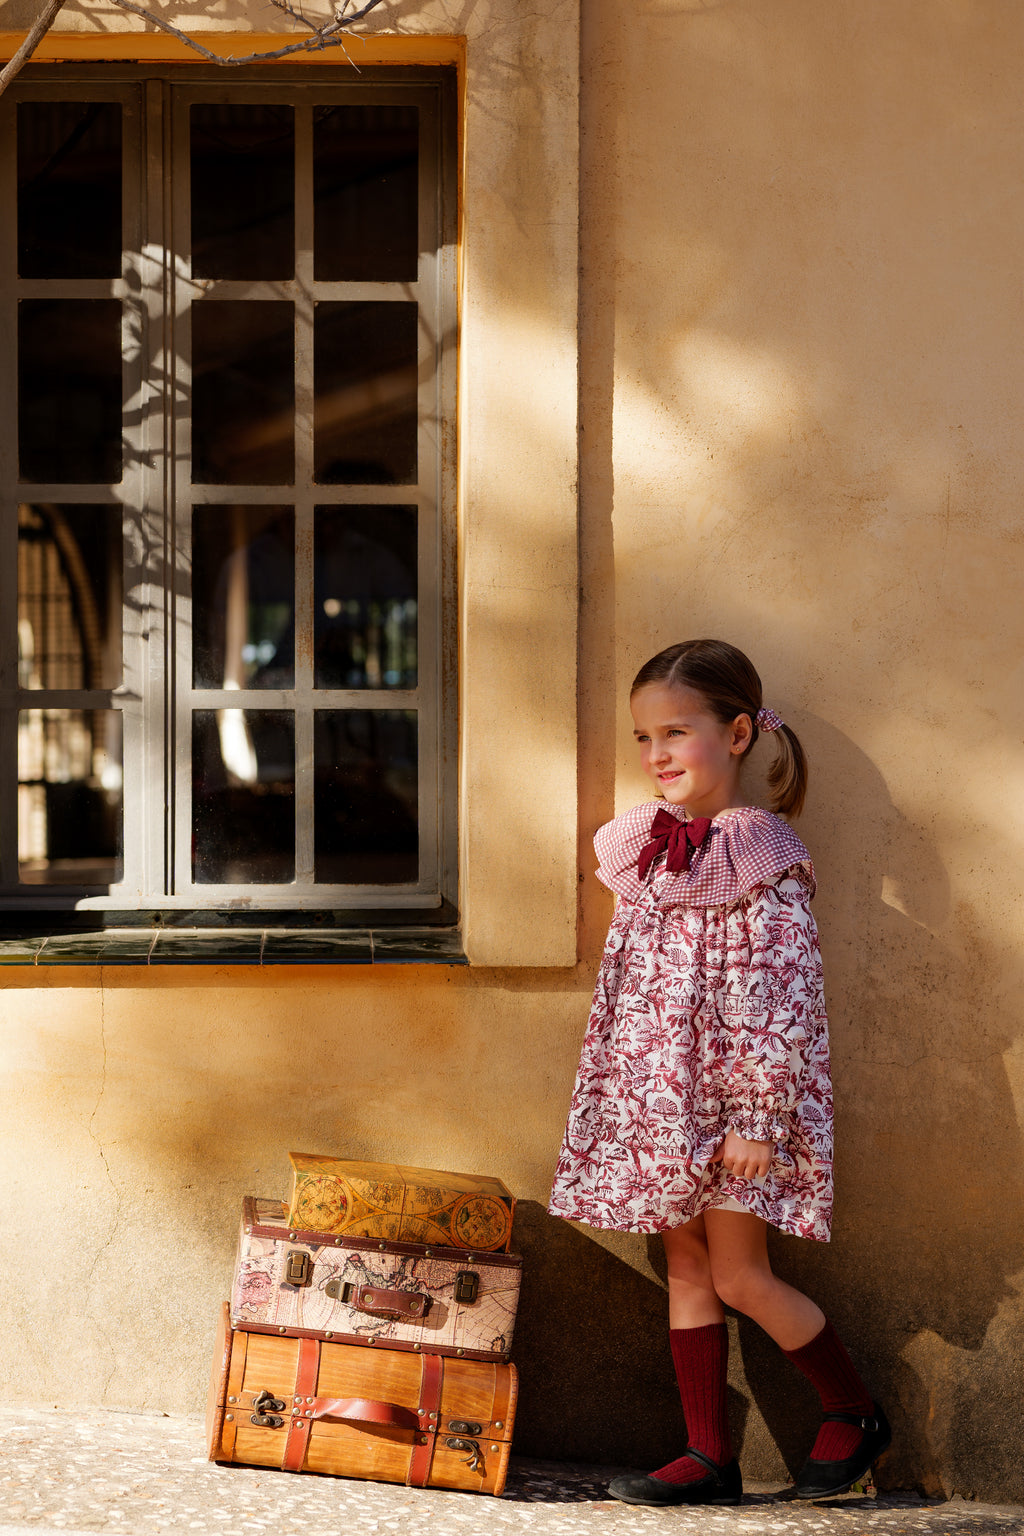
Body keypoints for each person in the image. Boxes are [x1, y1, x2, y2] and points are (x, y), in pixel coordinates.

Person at [548, 639, 889, 1507]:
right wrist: (626, 1093)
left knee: (740, 1274)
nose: (657, 754)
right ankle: (708, 1453)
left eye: (678, 731)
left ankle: (852, 1407)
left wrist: (756, 1119)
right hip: (661, 1096)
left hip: (735, 1106)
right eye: (643, 737)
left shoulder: (763, 856)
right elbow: (633, 978)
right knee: (689, 1270)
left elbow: (782, 998)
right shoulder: (645, 850)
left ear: (738, 734)